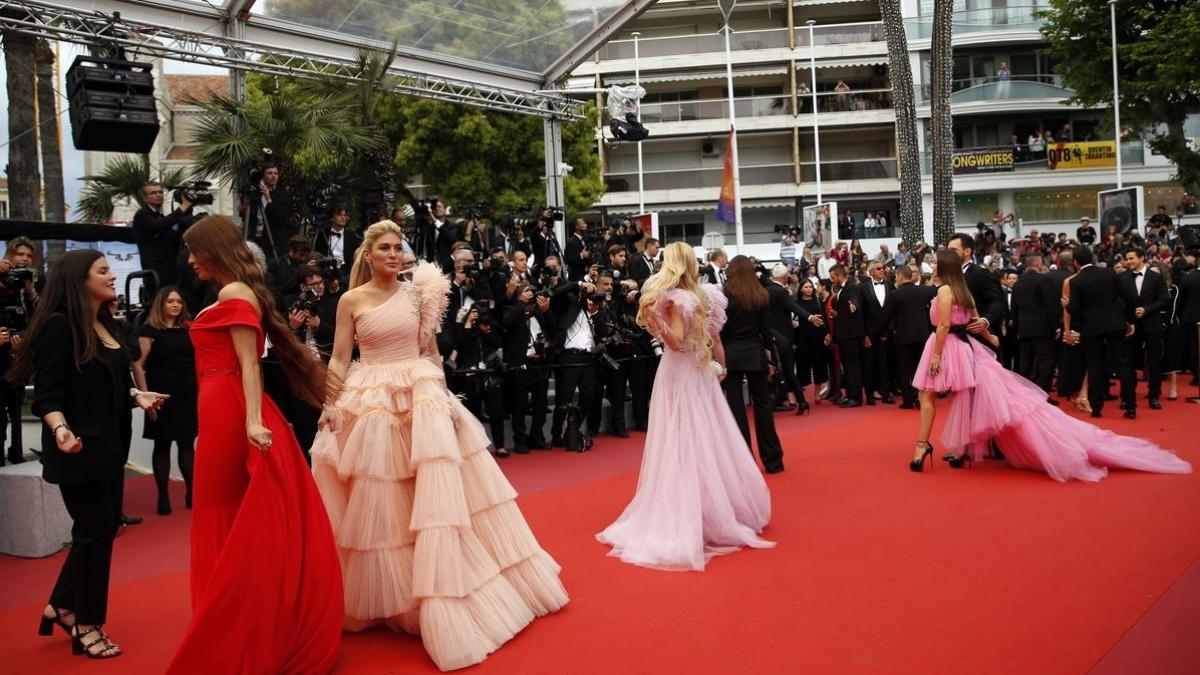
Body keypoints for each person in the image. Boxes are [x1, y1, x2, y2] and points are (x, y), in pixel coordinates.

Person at [310, 220, 567, 670]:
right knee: (382, 494)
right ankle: (391, 596)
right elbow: (338, 355)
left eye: (398, 247)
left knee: (435, 495)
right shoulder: (351, 300)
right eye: (384, 248)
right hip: (370, 397)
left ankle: (441, 591)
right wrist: (330, 403)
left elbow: (428, 350)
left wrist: (445, 397)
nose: (394, 254)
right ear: (367, 255)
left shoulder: (419, 292)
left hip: (421, 393)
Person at [167, 215, 342, 673]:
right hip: (219, 404)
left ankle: (232, 626)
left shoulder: (234, 294)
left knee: (221, 514)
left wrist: (249, 421)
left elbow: (249, 364)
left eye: (193, 251)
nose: (190, 261)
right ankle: (228, 618)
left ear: (212, 251)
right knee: (222, 514)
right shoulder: (233, 292)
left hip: (230, 407)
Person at [7, 250, 168, 659]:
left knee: (100, 529)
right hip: (77, 449)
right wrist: (61, 430)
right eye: (103, 271)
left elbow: (106, 382)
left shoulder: (105, 323)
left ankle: (61, 605)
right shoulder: (60, 328)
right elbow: (48, 395)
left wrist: (136, 394)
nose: (113, 276)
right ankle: (86, 622)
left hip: (110, 446)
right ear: (79, 280)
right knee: (96, 532)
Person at [911, 249, 1191, 482]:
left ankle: (923, 447)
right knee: (971, 397)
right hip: (967, 348)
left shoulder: (946, 290)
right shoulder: (963, 291)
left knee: (929, 395)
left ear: (944, 266)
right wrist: (990, 335)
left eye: (936, 260)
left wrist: (938, 355)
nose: (933, 264)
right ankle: (963, 450)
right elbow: (974, 321)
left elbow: (946, 324)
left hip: (946, 347)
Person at [596, 242, 774, 571]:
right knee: (709, 439)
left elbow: (675, 343)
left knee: (679, 442)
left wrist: (654, 319)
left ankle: (688, 513)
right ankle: (719, 509)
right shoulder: (707, 295)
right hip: (701, 372)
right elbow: (715, 340)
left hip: (679, 374)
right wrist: (721, 368)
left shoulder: (676, 299)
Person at [132, 286, 198, 515]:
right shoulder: (149, 330)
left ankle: (192, 493)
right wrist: (144, 395)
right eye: (170, 301)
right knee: (162, 444)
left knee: (187, 444)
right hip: (160, 394)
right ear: (161, 303)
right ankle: (163, 496)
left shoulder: (188, 329)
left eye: (179, 301)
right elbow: (138, 365)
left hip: (188, 393)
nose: (175, 305)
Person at [720, 256, 786, 473]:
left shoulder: (725, 295)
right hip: (755, 353)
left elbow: (721, 330)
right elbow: (766, 331)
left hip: (731, 353)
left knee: (736, 407)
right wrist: (773, 359)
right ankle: (773, 459)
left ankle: (744, 463)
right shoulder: (760, 294)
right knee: (764, 405)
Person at [1066, 246, 1136, 418]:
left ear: (1075, 262)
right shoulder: (1110, 273)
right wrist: (1129, 320)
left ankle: (1097, 408)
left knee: (1095, 366)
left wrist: (1066, 305)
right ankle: (1130, 406)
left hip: (1092, 328)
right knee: (1123, 365)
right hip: (1115, 324)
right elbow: (1129, 296)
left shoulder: (1076, 281)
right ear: (1093, 258)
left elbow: (1074, 309)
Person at [1120, 247, 1168, 410]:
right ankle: (1127, 397)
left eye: (1132, 258)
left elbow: (1164, 300)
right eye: (1127, 258)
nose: (1128, 262)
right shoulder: (1123, 278)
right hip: (1131, 326)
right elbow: (1120, 301)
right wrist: (1127, 320)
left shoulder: (1156, 277)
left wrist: (1146, 310)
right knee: (1129, 362)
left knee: (1154, 362)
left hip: (1152, 324)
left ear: (1141, 258)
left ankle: (1154, 396)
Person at [132, 181, 195, 300]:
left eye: (160, 192)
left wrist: (187, 209)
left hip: (172, 273)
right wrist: (183, 207)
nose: (158, 195)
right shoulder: (142, 215)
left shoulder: (161, 217)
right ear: (145, 198)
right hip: (156, 276)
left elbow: (176, 238)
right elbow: (158, 226)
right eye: (153, 193)